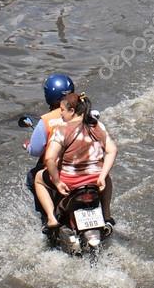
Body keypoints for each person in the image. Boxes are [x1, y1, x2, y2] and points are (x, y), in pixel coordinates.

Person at [34, 91, 117, 235]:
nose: (61, 115)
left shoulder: (62, 130)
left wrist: (58, 182)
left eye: (62, 111)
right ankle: (107, 215)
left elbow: (49, 159)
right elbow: (112, 150)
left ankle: (51, 218)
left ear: (72, 111)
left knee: (38, 179)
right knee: (107, 177)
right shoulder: (97, 126)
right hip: (95, 181)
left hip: (70, 181)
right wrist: (102, 176)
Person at [26, 72, 75, 213]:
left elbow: (36, 151)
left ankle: (47, 217)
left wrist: (27, 146)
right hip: (85, 165)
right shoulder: (84, 113)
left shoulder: (46, 121)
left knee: (33, 178)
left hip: (61, 170)